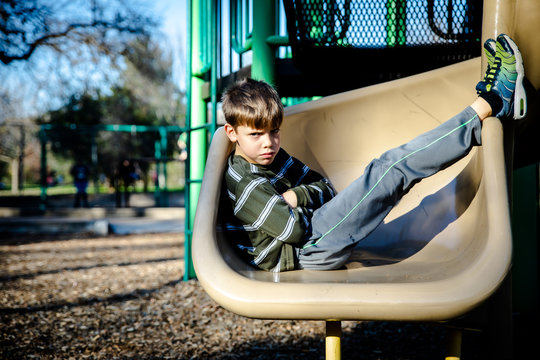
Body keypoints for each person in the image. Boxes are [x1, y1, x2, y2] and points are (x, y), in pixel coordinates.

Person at [222, 34, 528, 272]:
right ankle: (490, 105)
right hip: (307, 251)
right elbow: (294, 230)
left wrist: (291, 198)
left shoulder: (271, 156)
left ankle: (485, 108)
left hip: (313, 236)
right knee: (391, 170)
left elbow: (324, 188)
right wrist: (300, 206)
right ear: (231, 133)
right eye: (256, 135)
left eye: (274, 132)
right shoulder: (245, 183)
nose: (269, 143)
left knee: (388, 169)